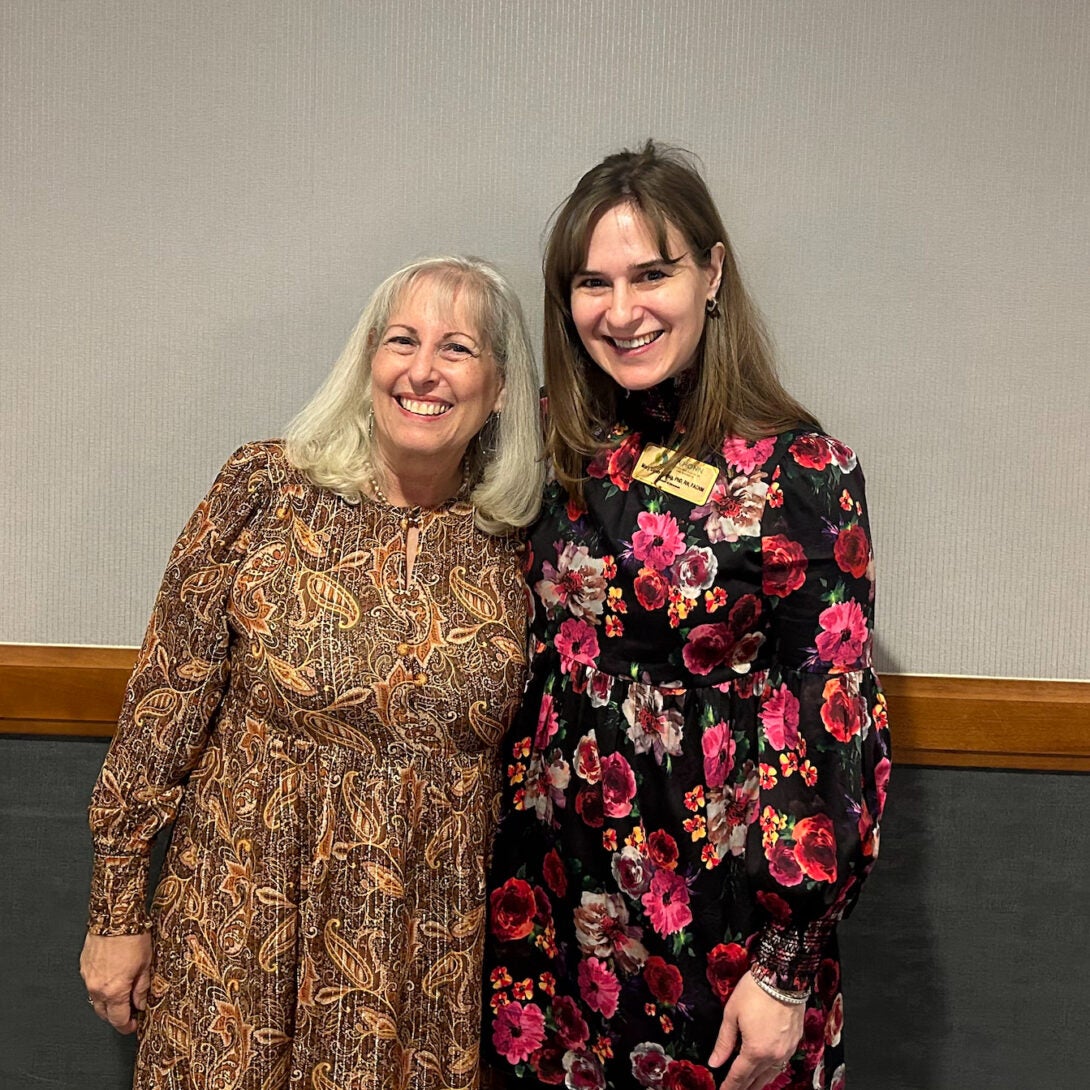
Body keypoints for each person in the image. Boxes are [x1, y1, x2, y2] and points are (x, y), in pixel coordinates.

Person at [79, 255, 545, 1090]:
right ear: (368, 359)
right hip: (237, 925)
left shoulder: (522, 539)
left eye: (459, 349)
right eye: (402, 340)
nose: (423, 371)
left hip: (414, 954)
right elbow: (164, 704)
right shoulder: (264, 489)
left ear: (502, 387)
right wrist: (116, 911)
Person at [482, 143, 891, 1090]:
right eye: (593, 282)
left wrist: (787, 969)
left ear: (710, 273)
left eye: (651, 274)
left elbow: (835, 717)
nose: (621, 311)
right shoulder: (545, 444)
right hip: (549, 895)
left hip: (720, 911)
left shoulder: (806, 473)